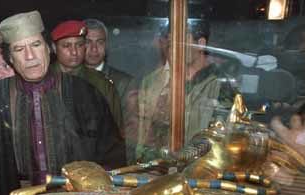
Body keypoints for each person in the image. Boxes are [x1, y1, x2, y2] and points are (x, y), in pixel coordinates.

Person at [0, 10, 125, 195]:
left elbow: (111, 153)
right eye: (19, 49)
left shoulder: (83, 93)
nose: (30, 56)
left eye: (36, 45)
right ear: (10, 58)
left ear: (49, 48)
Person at [132, 20, 237, 163]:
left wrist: (178, 159)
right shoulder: (153, 81)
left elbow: (217, 143)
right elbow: (142, 138)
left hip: (196, 176)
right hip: (155, 172)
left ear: (200, 44)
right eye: (170, 41)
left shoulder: (222, 86)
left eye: (180, 41)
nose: (173, 47)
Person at [50, 20, 124, 135]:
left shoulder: (101, 84)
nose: (74, 52)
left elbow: (114, 133)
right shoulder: (42, 81)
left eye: (79, 45)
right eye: (66, 46)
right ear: (54, 48)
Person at [83, 18, 135, 112]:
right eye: (88, 42)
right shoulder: (67, 78)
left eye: (100, 42)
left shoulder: (124, 83)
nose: (94, 49)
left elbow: (130, 123)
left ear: (106, 45)